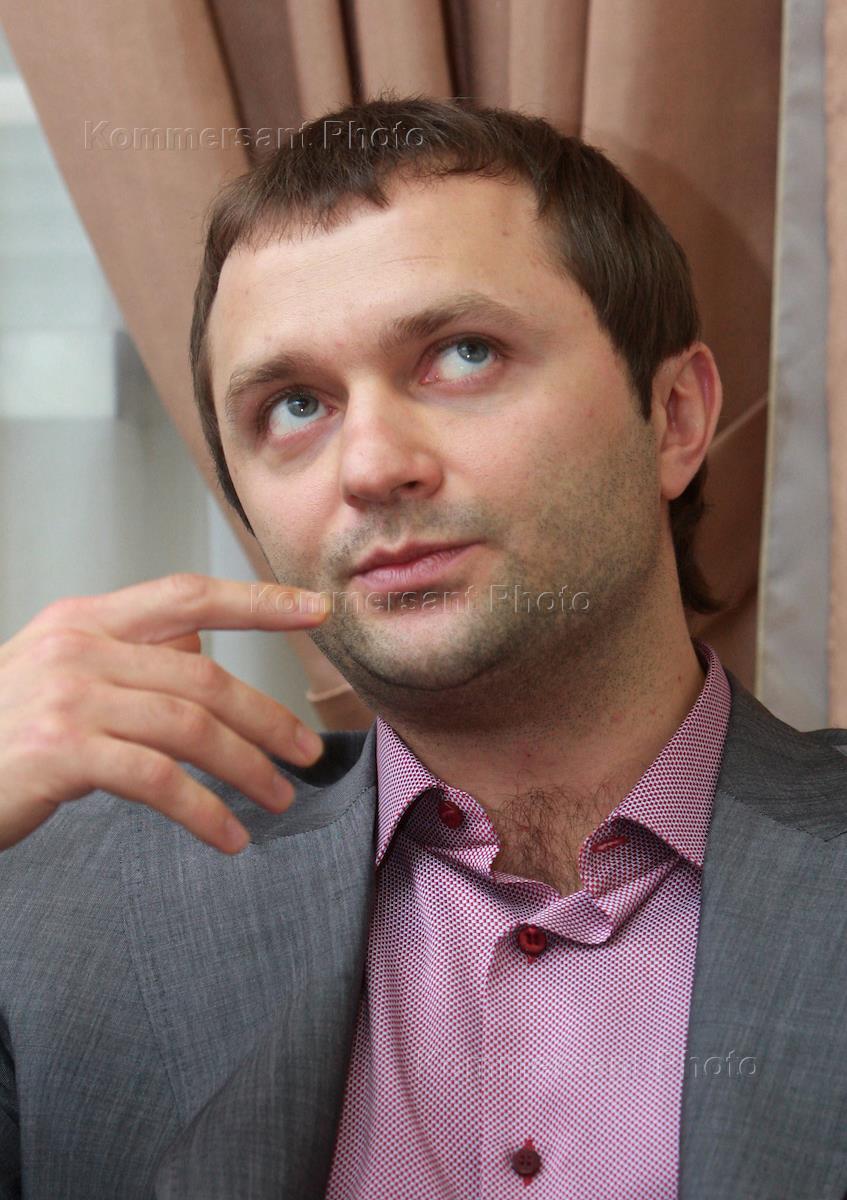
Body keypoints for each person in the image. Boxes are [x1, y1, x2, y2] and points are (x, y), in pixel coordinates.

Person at [0, 96, 845, 1200]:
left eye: (462, 354)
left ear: (674, 417)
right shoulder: (51, 911)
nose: (370, 466)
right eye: (293, 405)